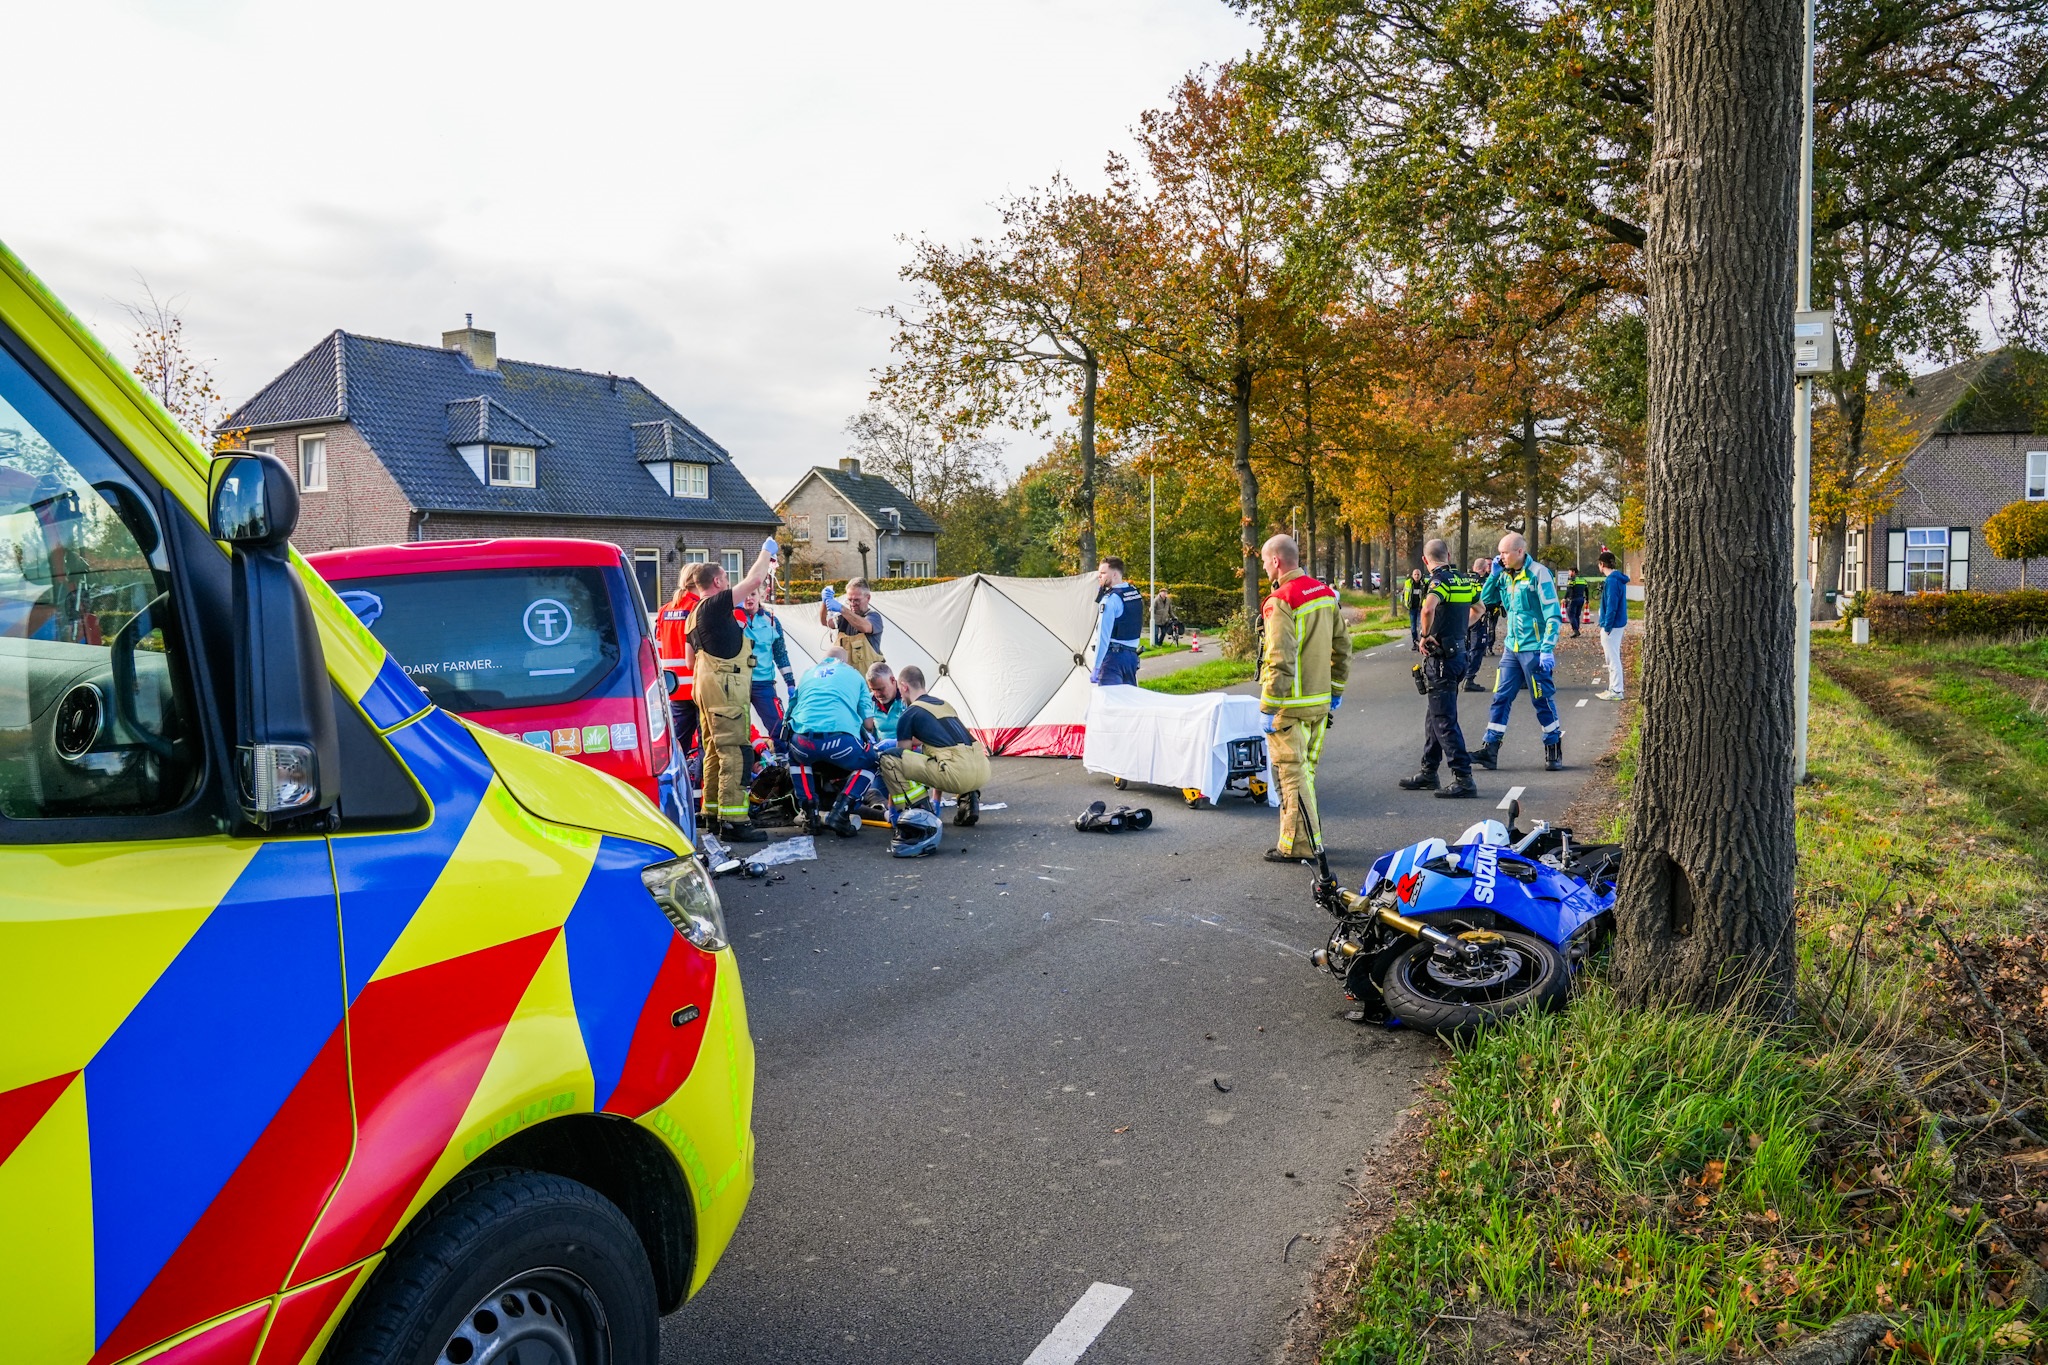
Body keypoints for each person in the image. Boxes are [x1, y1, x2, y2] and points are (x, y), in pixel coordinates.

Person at [1257, 534, 1352, 864]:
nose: (1264, 567)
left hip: (1290, 707)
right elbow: (1343, 647)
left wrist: (1269, 706)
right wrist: (1336, 690)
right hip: (1320, 704)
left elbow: (1279, 657)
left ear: (1276, 561)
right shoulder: (1324, 594)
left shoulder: (1280, 600)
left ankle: (1301, 846)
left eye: (1265, 561)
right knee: (1306, 774)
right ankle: (1307, 840)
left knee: (1292, 776)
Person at [687, 539, 783, 842]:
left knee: (714, 752)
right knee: (736, 752)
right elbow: (754, 580)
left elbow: (690, 660)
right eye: (726, 579)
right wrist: (767, 552)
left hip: (705, 688)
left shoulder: (693, 614)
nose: (730, 584)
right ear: (717, 582)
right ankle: (734, 821)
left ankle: (712, 813)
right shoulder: (715, 605)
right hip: (726, 689)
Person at [1398, 540, 1481, 799]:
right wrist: (1459, 630)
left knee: (1444, 720)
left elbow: (1427, 609)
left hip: (1442, 659)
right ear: (1449, 554)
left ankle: (1463, 777)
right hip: (1459, 654)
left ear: (1425, 561)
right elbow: (1479, 609)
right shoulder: (1464, 581)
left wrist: (1425, 636)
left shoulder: (1439, 581)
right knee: (1435, 715)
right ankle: (1429, 771)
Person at [1475, 532, 1564, 773]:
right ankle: (1490, 748)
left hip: (1534, 649)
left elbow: (1553, 615)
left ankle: (1553, 747)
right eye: (1499, 553)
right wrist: (1493, 576)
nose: (1500, 557)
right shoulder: (1504, 575)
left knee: (1541, 698)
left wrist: (1547, 648)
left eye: (1504, 553)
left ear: (1520, 552)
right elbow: (1487, 600)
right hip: (1512, 648)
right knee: (1501, 696)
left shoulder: (1538, 574)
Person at [877, 664, 992, 827]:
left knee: (889, 758)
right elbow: (944, 744)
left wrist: (892, 807)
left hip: (957, 774)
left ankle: (919, 812)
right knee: (944, 756)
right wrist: (937, 799)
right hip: (981, 768)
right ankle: (968, 800)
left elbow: (901, 759)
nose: (901, 696)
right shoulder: (945, 705)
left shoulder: (909, 714)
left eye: (900, 691)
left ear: (903, 686)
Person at [787, 646, 884, 837]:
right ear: (845, 661)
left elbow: (790, 710)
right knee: (871, 762)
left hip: (803, 742)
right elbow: (868, 723)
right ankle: (841, 811)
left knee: (796, 759)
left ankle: (810, 815)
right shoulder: (854, 675)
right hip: (839, 743)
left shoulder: (808, 673)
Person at [656, 564, 714, 784]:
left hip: (675, 687)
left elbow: (658, 647)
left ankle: (672, 787)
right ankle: (700, 792)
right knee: (704, 745)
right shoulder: (697, 607)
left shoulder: (664, 610)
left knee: (677, 744)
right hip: (697, 685)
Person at [741, 584, 796, 761]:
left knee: (777, 726)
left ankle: (784, 761)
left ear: (760, 596)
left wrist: (790, 682)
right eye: (745, 594)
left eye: (752, 594)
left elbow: (780, 653)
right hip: (739, 682)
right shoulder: (733, 618)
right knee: (738, 726)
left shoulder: (771, 621)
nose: (748, 598)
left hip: (763, 683)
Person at [1091, 556, 1145, 686]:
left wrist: (1096, 666)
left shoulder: (1110, 600)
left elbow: (1103, 637)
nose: (1099, 576)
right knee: (1127, 697)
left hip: (1113, 660)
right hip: (1131, 657)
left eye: (1103, 573)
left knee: (1109, 697)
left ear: (1114, 574)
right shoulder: (1134, 593)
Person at [819, 577, 886, 675]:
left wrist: (842, 609)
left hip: (866, 681)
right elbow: (825, 622)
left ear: (868, 598)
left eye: (857, 600)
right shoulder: (843, 618)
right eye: (850, 600)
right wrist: (825, 603)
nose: (853, 604)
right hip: (846, 679)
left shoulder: (874, 617)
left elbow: (865, 627)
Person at [1595, 550, 1629, 701]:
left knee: (1612, 658)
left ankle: (1616, 690)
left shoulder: (1611, 581)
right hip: (1618, 623)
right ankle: (1613, 688)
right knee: (1613, 657)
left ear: (1602, 564)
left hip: (1612, 625)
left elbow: (1611, 605)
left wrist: (1607, 626)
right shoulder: (1618, 579)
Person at [1462, 557, 1497, 693]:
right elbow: (1488, 600)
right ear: (1484, 569)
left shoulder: (1463, 579)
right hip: (1478, 618)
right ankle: (1469, 679)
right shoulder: (1484, 582)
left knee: (1464, 647)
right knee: (1477, 648)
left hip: (1463, 618)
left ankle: (1461, 675)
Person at [1400, 568, 1425, 650]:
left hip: (1421, 608)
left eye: (1418, 574)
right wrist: (1405, 604)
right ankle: (1415, 643)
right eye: (1415, 574)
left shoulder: (1424, 583)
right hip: (1412, 608)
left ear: (1420, 575)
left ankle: (1422, 644)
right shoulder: (1408, 583)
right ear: (1412, 575)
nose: (1417, 576)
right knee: (1413, 628)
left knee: (1420, 626)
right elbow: (1403, 593)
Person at [1563, 568, 1589, 639]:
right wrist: (1587, 599)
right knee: (1577, 615)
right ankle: (1577, 629)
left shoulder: (1572, 580)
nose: (1569, 573)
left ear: (1573, 572)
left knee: (1571, 615)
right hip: (1581, 599)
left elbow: (1568, 590)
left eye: (1569, 572)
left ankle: (1576, 630)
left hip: (1573, 599)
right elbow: (1586, 590)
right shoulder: (1583, 580)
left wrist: (1564, 598)